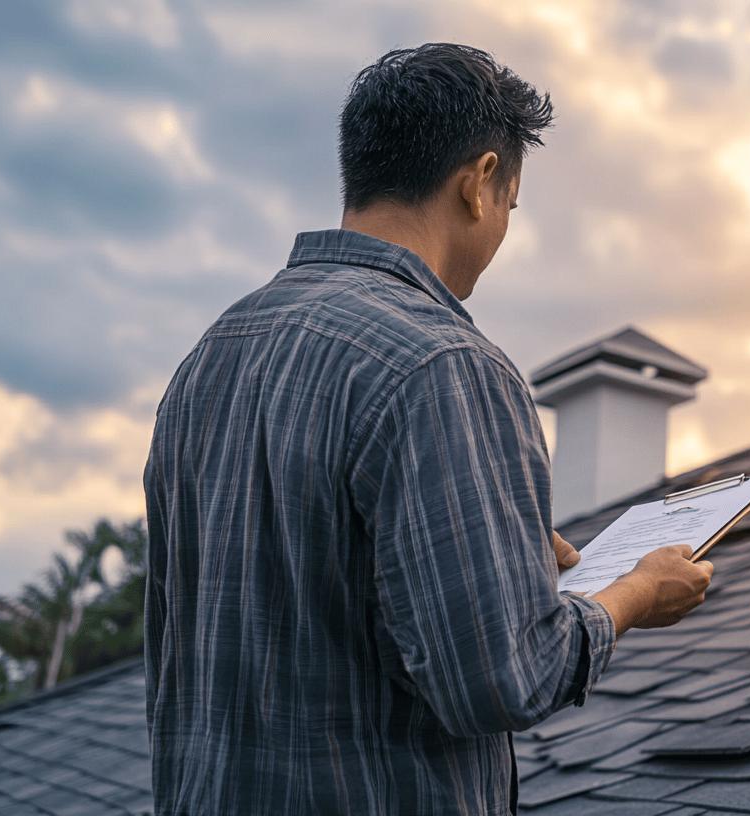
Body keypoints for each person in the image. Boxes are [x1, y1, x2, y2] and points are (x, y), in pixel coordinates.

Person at [142, 43, 712, 815]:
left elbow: (282, 591)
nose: (504, 226)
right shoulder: (443, 363)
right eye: (511, 201)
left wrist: (480, 558)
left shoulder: (213, 353)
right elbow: (508, 677)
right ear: (479, 184)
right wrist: (636, 594)